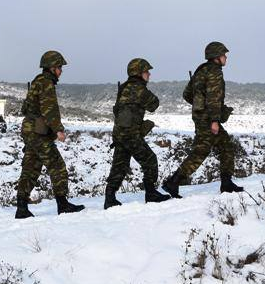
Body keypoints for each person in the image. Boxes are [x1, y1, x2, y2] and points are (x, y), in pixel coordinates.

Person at [162, 42, 244, 198]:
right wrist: (214, 119)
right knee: (201, 151)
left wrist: (199, 104)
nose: (226, 57)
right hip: (208, 119)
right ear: (216, 57)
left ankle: (226, 183)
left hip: (201, 117)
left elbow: (187, 95)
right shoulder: (214, 72)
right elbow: (214, 98)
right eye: (223, 54)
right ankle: (173, 182)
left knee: (225, 146)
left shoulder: (200, 71)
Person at [14, 51, 85, 218]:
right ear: (52, 68)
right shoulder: (46, 83)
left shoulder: (38, 81)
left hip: (31, 131)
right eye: (59, 67)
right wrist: (58, 129)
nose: (61, 71)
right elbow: (49, 109)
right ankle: (62, 204)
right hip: (39, 132)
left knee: (31, 168)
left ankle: (21, 208)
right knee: (57, 166)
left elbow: (29, 108)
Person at [103, 58, 172, 209]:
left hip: (119, 133)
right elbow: (154, 104)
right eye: (146, 72)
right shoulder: (138, 88)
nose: (149, 75)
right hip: (130, 134)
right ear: (139, 72)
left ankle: (109, 198)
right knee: (150, 160)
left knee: (119, 166)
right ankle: (151, 193)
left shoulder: (124, 88)